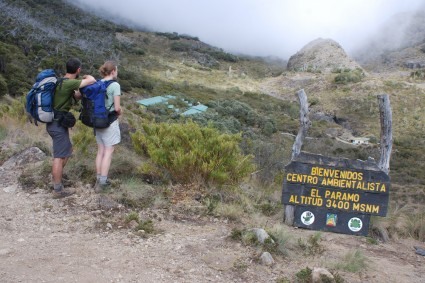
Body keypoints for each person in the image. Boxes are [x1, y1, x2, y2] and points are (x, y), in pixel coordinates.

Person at [47, 58, 96, 198]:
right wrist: (87, 77)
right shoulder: (70, 82)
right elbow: (91, 80)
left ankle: (57, 179)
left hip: (54, 122)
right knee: (59, 156)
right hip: (57, 124)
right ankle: (57, 190)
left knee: (67, 150)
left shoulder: (60, 81)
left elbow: (76, 96)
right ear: (78, 70)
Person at [94, 61, 122, 191]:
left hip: (97, 121)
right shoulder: (115, 85)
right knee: (108, 151)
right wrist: (120, 112)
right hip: (109, 121)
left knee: (100, 151)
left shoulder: (98, 83)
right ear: (113, 72)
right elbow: (116, 108)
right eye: (116, 70)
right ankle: (103, 184)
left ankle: (98, 179)